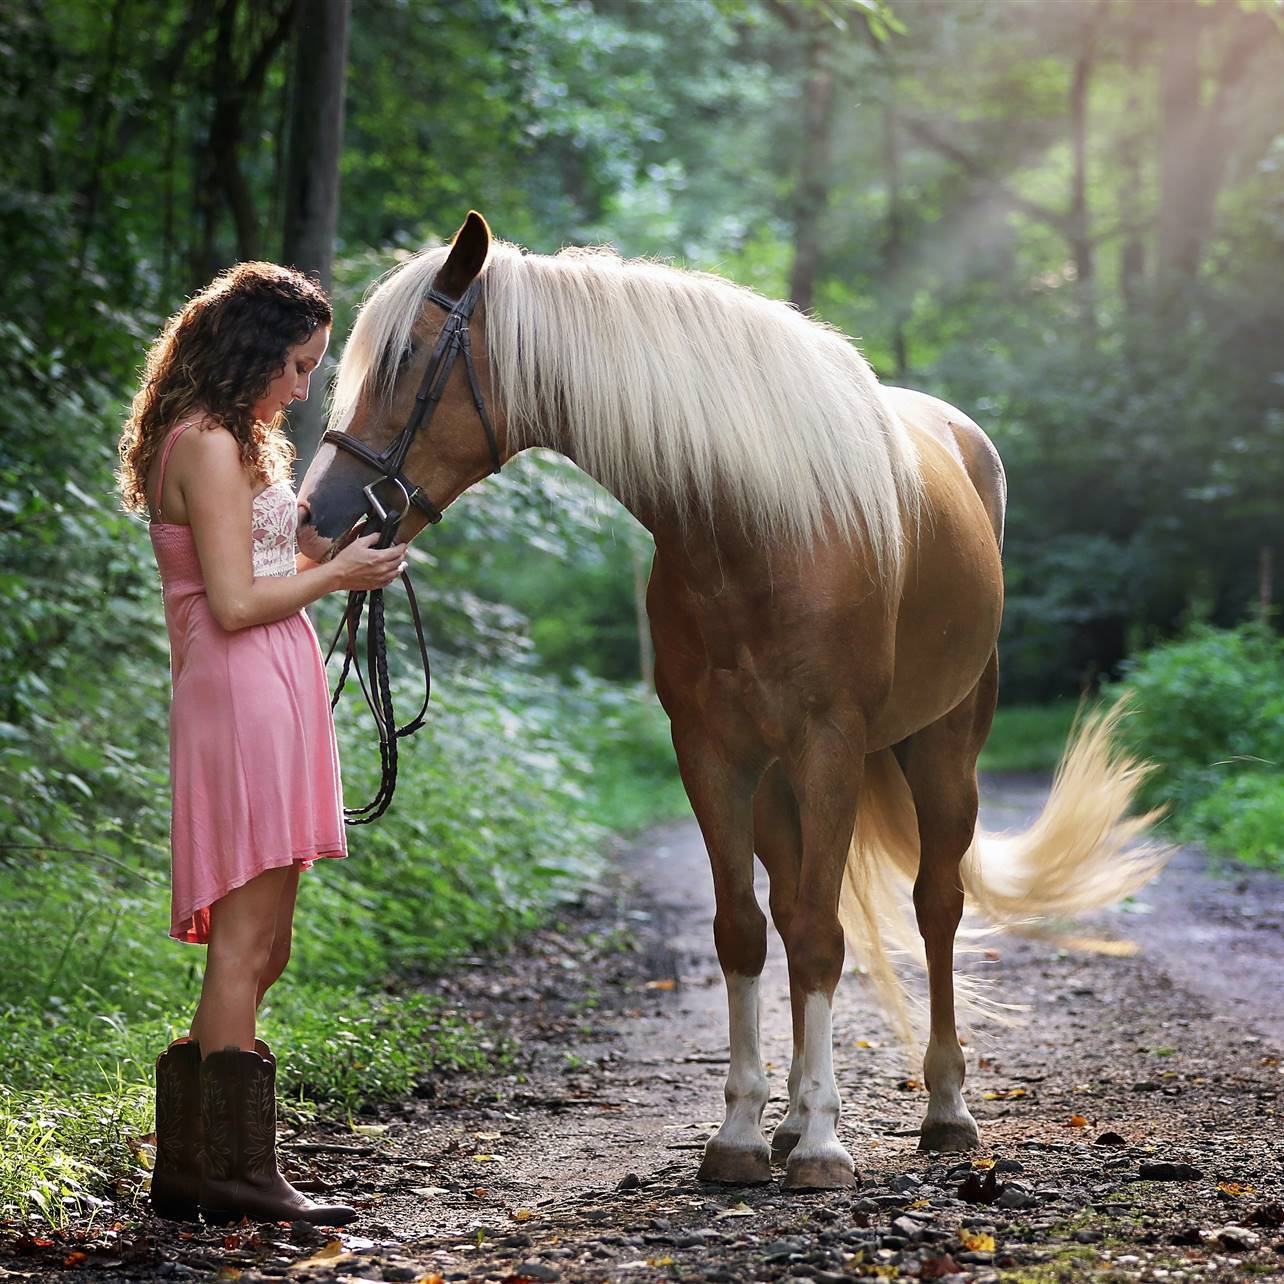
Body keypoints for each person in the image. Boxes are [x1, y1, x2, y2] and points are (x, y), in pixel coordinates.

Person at [116, 262, 406, 1226]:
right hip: (240, 688)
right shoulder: (199, 444)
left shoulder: (245, 441)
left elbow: (274, 556)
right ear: (249, 353)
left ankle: (199, 1162)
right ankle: (231, 1173)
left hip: (272, 686)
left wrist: (347, 555)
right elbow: (235, 603)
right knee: (243, 945)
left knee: (267, 943)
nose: (303, 387)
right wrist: (335, 582)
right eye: (295, 365)